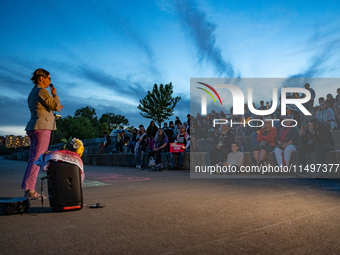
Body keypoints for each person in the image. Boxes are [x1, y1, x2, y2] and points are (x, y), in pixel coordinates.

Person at [22, 68, 63, 199]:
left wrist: (53, 103)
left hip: (35, 126)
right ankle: (30, 190)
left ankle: (28, 188)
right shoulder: (41, 91)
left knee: (33, 159)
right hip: (42, 128)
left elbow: (52, 106)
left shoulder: (33, 92)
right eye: (49, 78)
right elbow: (55, 106)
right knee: (37, 159)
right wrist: (55, 96)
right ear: (41, 78)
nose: (50, 81)